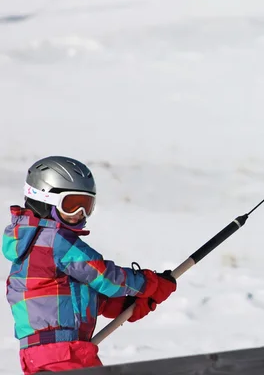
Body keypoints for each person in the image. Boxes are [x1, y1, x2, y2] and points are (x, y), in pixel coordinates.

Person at [2, 156, 177, 374]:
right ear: (43, 199)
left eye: (86, 206)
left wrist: (125, 304)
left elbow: (72, 297)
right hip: (64, 352)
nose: (79, 215)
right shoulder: (55, 241)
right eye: (72, 205)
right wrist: (149, 283)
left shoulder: (29, 251)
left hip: (38, 355)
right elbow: (105, 277)